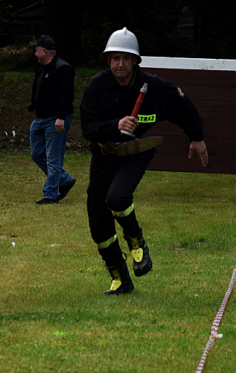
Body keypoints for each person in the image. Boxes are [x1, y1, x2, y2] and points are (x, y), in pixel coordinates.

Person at [80, 28, 208, 295]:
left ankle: (137, 242)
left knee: (117, 198)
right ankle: (120, 278)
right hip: (104, 154)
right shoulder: (96, 86)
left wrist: (196, 137)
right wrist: (116, 124)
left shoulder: (154, 86)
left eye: (127, 59)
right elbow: (88, 129)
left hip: (136, 153)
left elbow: (182, 105)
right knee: (98, 222)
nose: (121, 64)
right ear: (108, 61)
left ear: (136, 61)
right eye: (115, 58)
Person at [27, 35, 77, 205]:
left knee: (53, 158)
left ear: (44, 51)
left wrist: (61, 117)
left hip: (55, 119)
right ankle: (65, 179)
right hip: (40, 118)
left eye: (36, 50)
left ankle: (50, 195)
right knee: (36, 154)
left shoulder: (63, 68)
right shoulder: (41, 68)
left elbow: (67, 95)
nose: (34, 54)